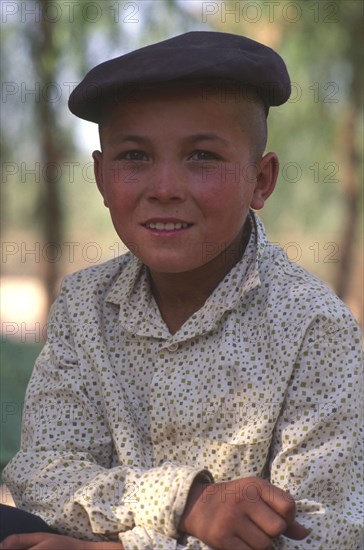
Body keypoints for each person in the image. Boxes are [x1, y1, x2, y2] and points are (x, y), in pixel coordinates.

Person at [1, 31, 362, 550]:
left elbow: (324, 535)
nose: (165, 186)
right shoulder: (84, 305)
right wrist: (188, 504)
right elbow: (39, 476)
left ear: (261, 180)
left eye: (201, 156)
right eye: (135, 157)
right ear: (102, 179)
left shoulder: (312, 327)